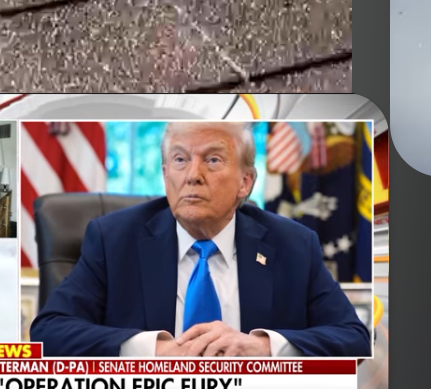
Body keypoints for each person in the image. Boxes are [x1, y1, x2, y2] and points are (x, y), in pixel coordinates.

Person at [31, 122, 371, 358]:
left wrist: (263, 348)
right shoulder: (113, 239)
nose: (193, 175)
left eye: (212, 159)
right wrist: (155, 352)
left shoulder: (293, 245)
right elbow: (50, 331)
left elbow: (353, 339)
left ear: (245, 182)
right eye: (179, 160)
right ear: (165, 176)